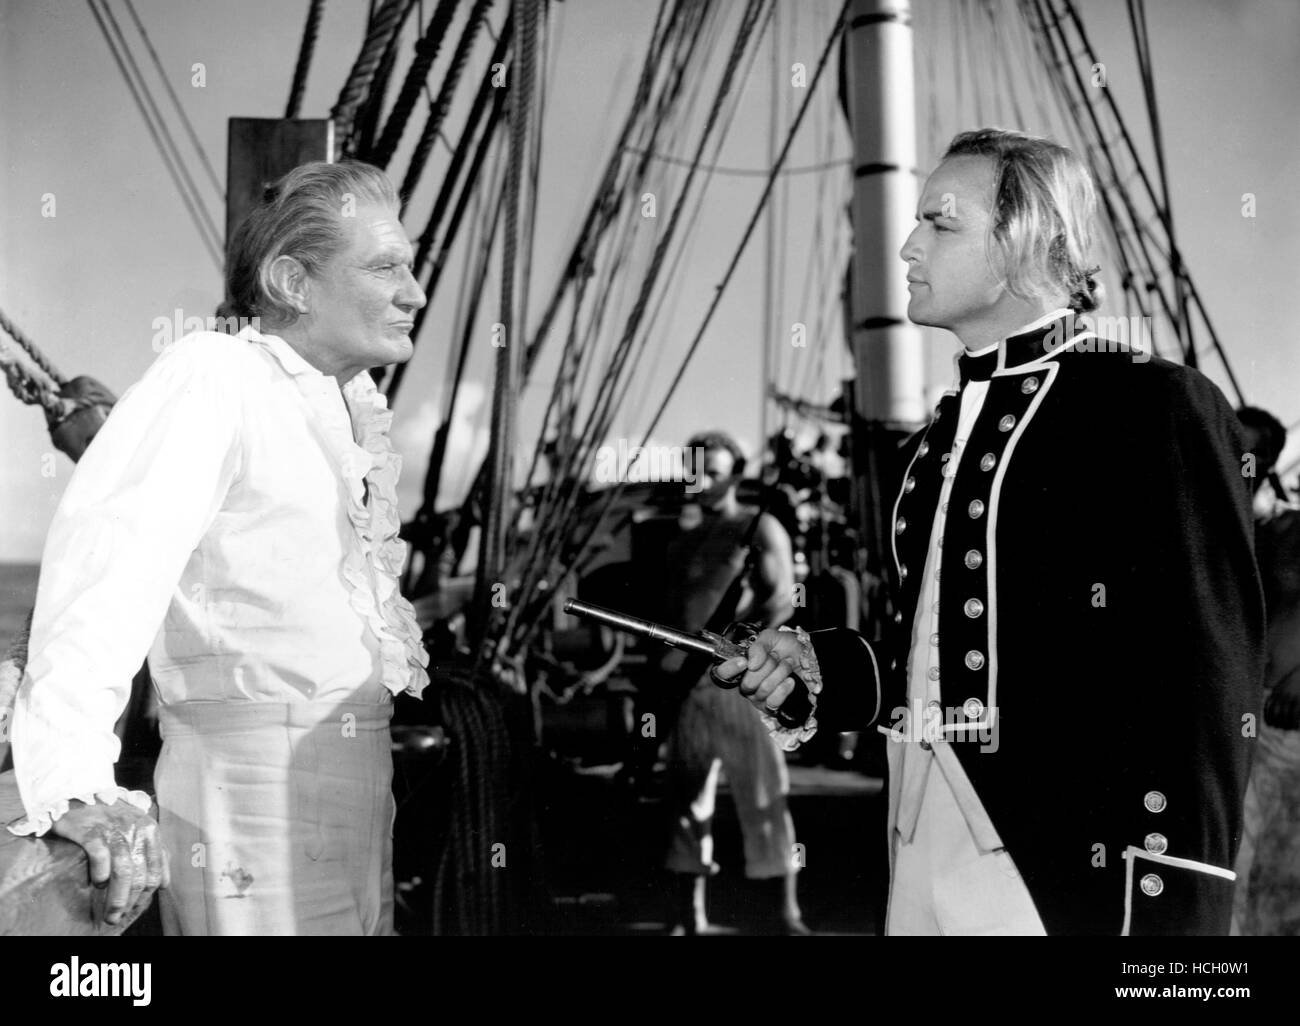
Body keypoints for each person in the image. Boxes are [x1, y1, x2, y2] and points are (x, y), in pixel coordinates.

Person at [718, 128, 1264, 935]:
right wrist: (820, 668)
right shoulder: (932, 445)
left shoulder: (1153, 410)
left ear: (1028, 242)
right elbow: (934, 659)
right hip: (915, 843)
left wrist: (1169, 919)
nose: (907, 245)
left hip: (1065, 871)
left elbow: (1206, 683)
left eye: (941, 222)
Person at [8, 160, 430, 935]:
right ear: (293, 282)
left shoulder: (341, 408)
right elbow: (108, 572)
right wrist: (72, 785)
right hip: (252, 802)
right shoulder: (215, 377)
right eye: (387, 267)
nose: (415, 292)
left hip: (354, 787)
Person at [656, 431, 805, 934]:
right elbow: (675, 614)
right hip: (688, 688)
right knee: (684, 801)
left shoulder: (759, 530)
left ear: (736, 475)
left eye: (712, 471)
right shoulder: (680, 542)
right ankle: (688, 919)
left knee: (763, 796)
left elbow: (781, 599)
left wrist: (738, 648)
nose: (699, 480)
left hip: (741, 682)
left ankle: (785, 918)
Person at [1231, 406, 1300, 934]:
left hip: (1284, 722)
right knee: (1230, 867)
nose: (1237, 458)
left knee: (1279, 880)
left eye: (1249, 451)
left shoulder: (1289, 528)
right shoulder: (1232, 525)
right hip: (1235, 719)